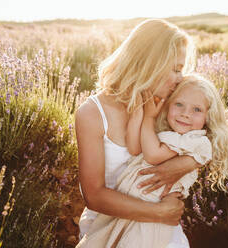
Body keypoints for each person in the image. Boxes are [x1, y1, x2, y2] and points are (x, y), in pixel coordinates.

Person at [76, 74, 228, 247]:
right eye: (179, 104)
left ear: (208, 117)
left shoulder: (197, 141)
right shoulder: (167, 133)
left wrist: (149, 118)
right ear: (168, 105)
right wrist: (139, 113)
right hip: (132, 205)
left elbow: (152, 155)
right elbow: (135, 149)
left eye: (197, 110)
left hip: (150, 216)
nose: (185, 114)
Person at [74, 19, 198, 247]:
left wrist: (188, 163)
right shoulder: (92, 113)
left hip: (161, 233)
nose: (181, 78)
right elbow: (94, 195)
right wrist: (158, 212)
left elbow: (213, 140)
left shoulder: (168, 105)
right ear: (150, 64)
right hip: (109, 231)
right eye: (176, 69)